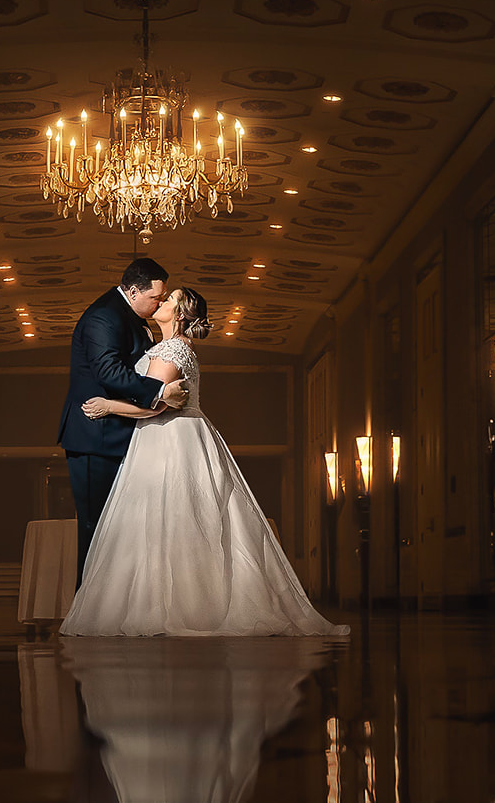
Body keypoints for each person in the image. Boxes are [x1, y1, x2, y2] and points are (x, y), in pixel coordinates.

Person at [60, 287, 348, 637]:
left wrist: (109, 406)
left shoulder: (174, 348)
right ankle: (173, 601)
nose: (161, 302)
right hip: (166, 434)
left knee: (174, 518)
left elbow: (158, 405)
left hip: (170, 434)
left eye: (168, 300)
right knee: (169, 520)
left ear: (180, 314)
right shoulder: (164, 344)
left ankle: (181, 606)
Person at [58, 257, 189, 585]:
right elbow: (109, 373)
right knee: (96, 527)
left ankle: (113, 605)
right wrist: (161, 392)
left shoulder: (130, 315)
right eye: (155, 298)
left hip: (122, 435)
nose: (159, 302)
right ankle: (86, 610)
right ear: (133, 290)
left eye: (163, 299)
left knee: (121, 529)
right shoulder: (105, 316)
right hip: (96, 437)